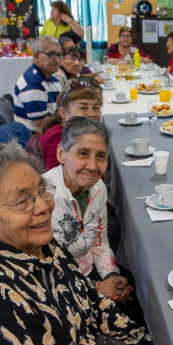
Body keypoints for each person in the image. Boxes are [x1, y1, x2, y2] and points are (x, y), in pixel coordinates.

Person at [0, 142, 160, 345]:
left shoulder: (44, 246)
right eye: (22, 202)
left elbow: (93, 304)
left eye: (41, 191)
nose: (43, 206)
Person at [44, 118, 143, 321]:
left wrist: (110, 276)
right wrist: (97, 287)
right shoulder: (43, 198)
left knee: (139, 295)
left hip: (89, 273)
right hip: (58, 290)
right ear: (61, 154)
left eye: (101, 156)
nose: (92, 165)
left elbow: (100, 242)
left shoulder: (97, 189)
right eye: (83, 153)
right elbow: (43, 271)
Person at [0, 36, 62, 146]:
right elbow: (42, 122)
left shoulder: (53, 79)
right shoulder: (33, 82)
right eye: (52, 54)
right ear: (36, 56)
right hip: (34, 138)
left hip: (48, 131)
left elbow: (60, 109)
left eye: (59, 55)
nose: (57, 60)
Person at [35, 78, 103, 171]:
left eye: (96, 108)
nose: (92, 113)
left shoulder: (80, 133)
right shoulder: (58, 139)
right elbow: (56, 182)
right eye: (83, 107)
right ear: (63, 113)